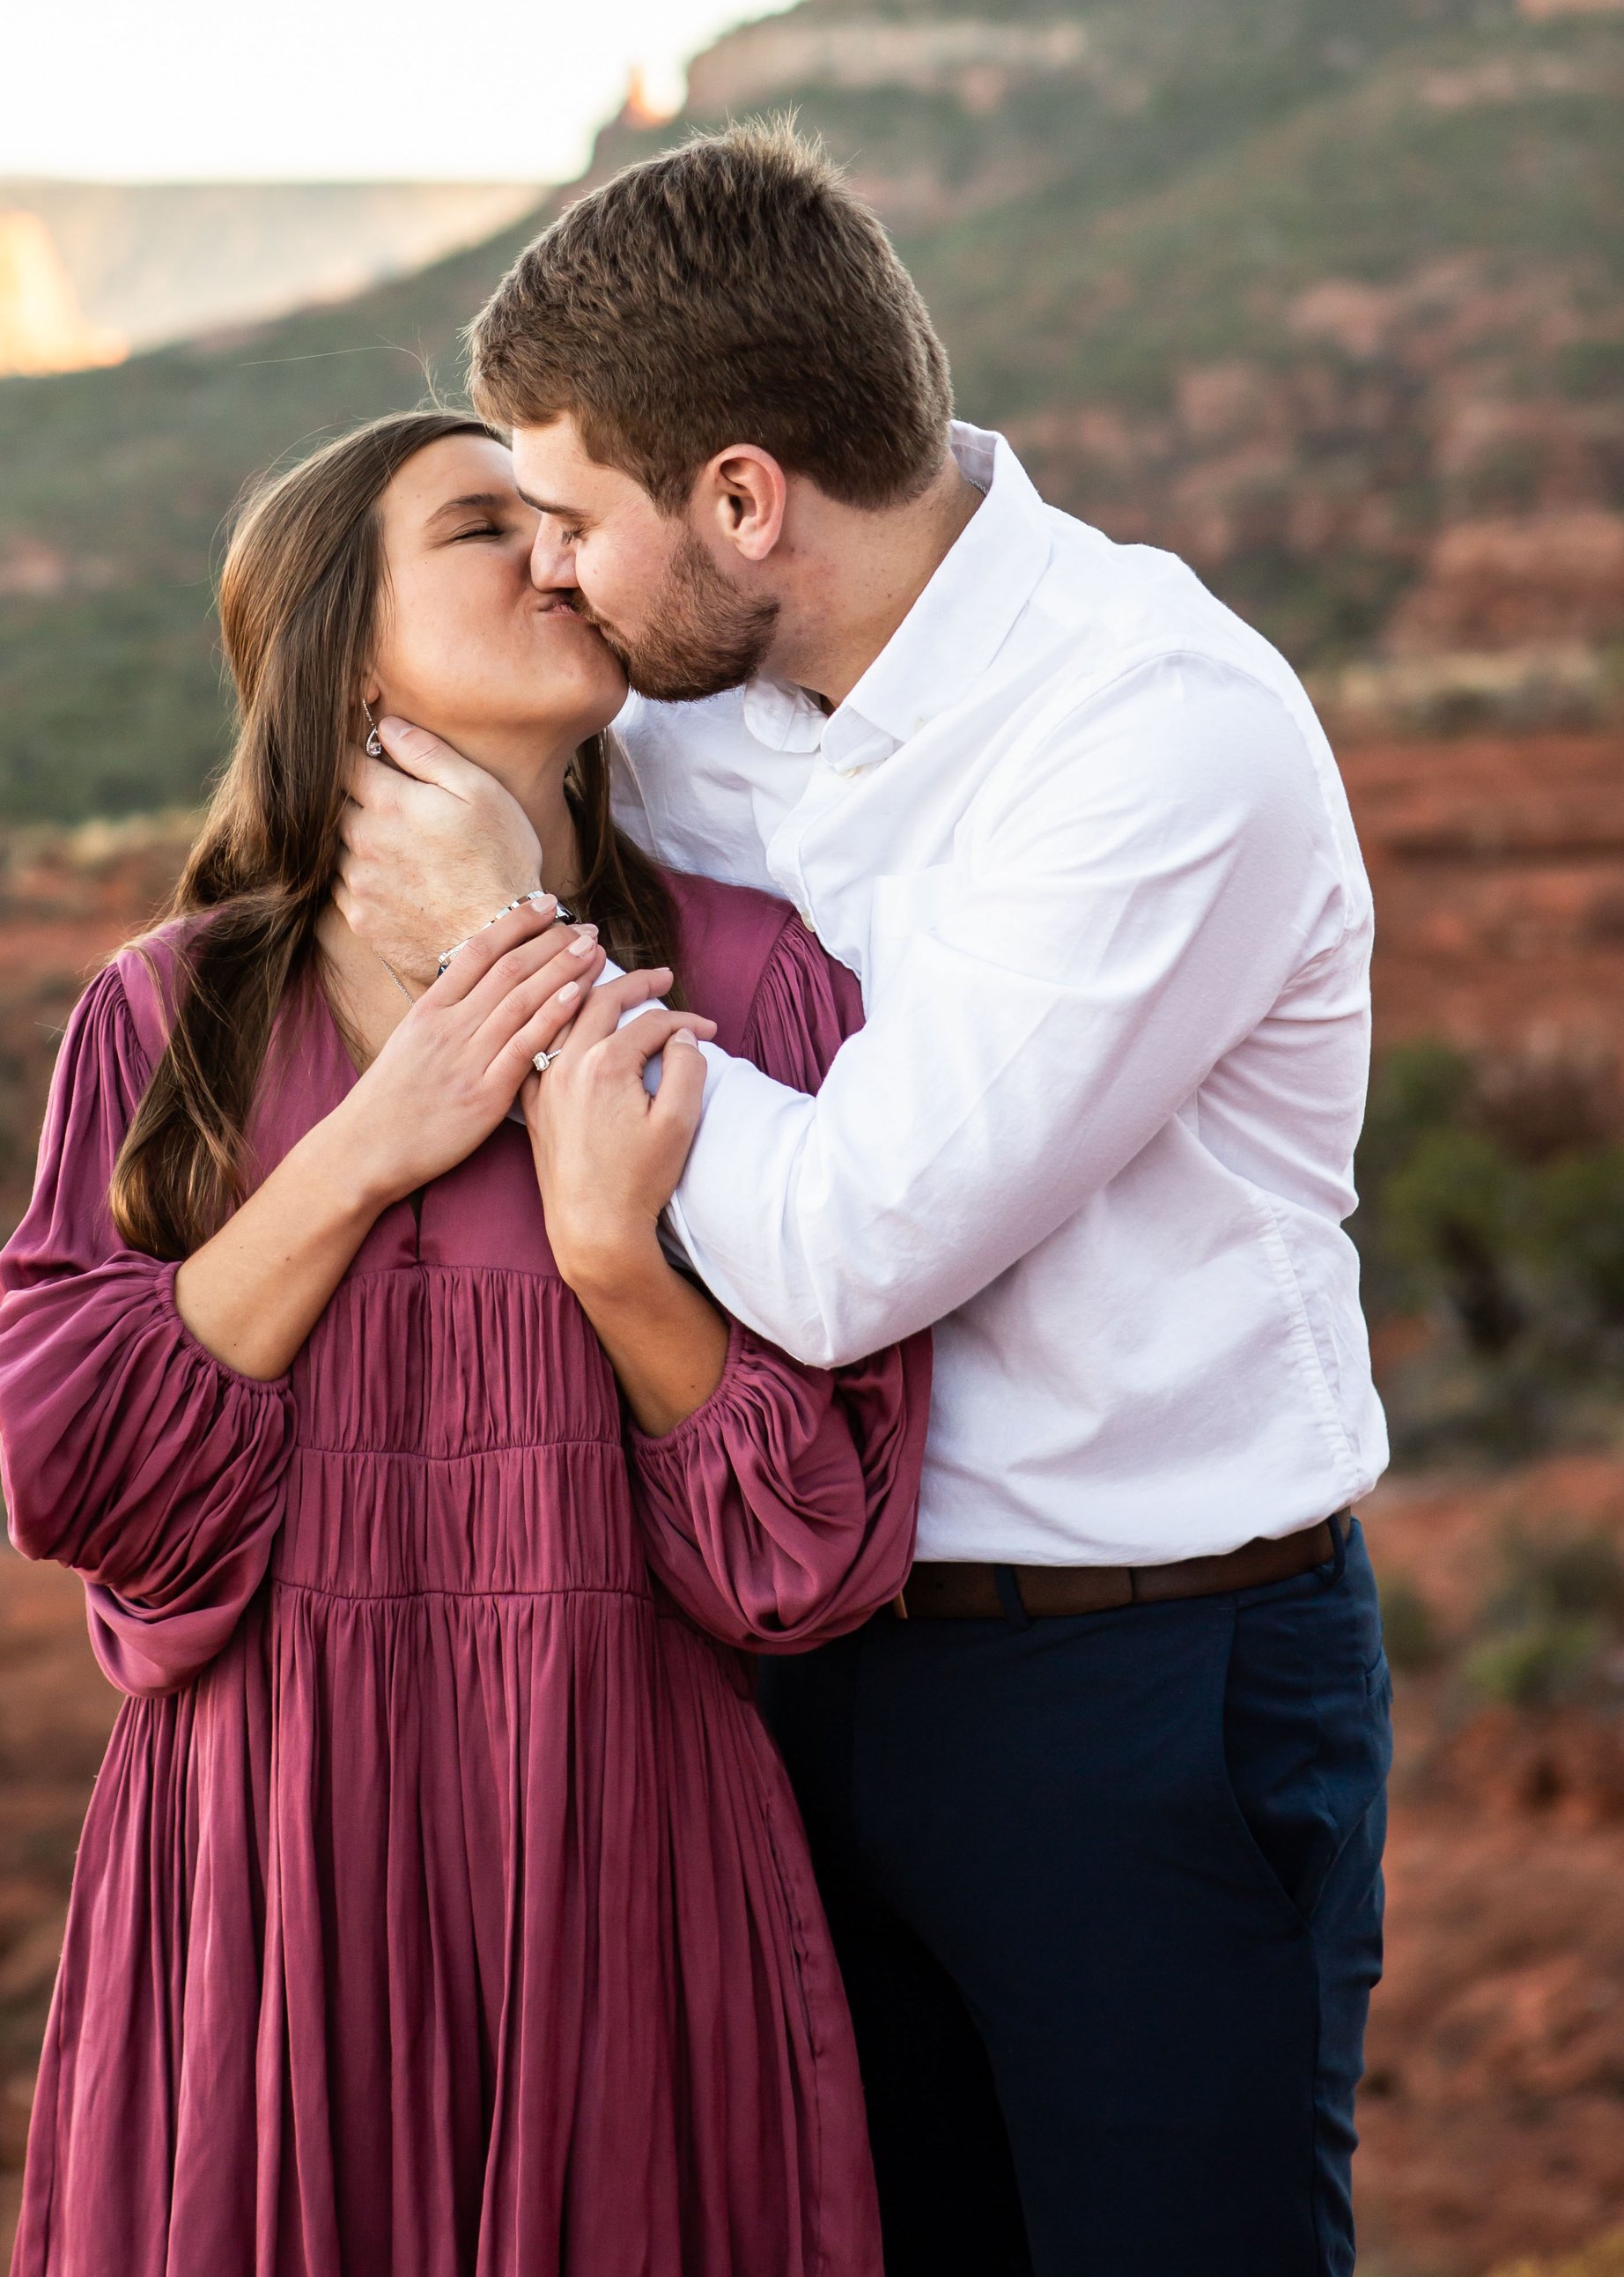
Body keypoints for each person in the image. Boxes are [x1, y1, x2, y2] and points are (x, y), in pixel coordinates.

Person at [336, 124, 1392, 2277]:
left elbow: (840, 1250)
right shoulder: (708, 690)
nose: (549, 575)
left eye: (568, 520)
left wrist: (518, 944)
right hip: (790, 1664)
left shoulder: (1149, 734)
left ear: (741, 500)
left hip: (1137, 1690)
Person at [0, 408, 928, 2277]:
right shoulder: (169, 1020)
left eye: (557, 519)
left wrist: (608, 1256)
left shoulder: (752, 983)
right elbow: (80, 1474)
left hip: (620, 1858)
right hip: (264, 1876)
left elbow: (807, 1549)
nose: (553, 556)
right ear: (343, 649)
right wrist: (367, 1144)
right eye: (479, 528)